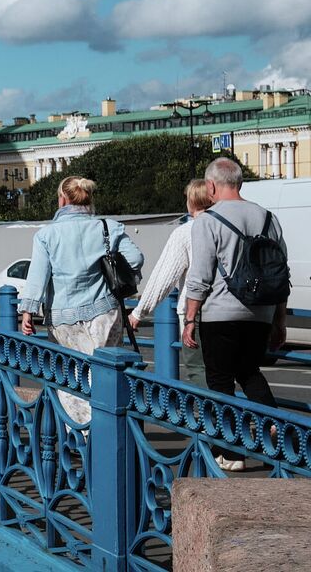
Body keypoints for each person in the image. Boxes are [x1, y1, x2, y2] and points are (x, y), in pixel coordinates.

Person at [183, 157, 288, 472]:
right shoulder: (268, 218)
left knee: (219, 382)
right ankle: (275, 426)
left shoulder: (208, 220)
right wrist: (279, 321)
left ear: (211, 186)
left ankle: (231, 453)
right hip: (261, 314)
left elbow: (200, 276)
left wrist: (190, 319)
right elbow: (280, 274)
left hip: (221, 314)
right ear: (239, 183)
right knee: (249, 371)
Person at [17, 176, 144, 425]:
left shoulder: (47, 235)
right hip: (105, 312)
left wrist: (27, 313)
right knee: (105, 374)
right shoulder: (108, 227)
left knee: (70, 377)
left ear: (62, 199)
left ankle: (86, 432)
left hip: (64, 318)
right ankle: (111, 426)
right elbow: (136, 259)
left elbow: (37, 277)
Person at [128, 179, 212, 386]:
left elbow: (163, 278)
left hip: (197, 312)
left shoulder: (185, 232)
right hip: (234, 310)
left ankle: (211, 418)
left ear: (191, 201)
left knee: (199, 370)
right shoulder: (228, 226)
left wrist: (139, 312)